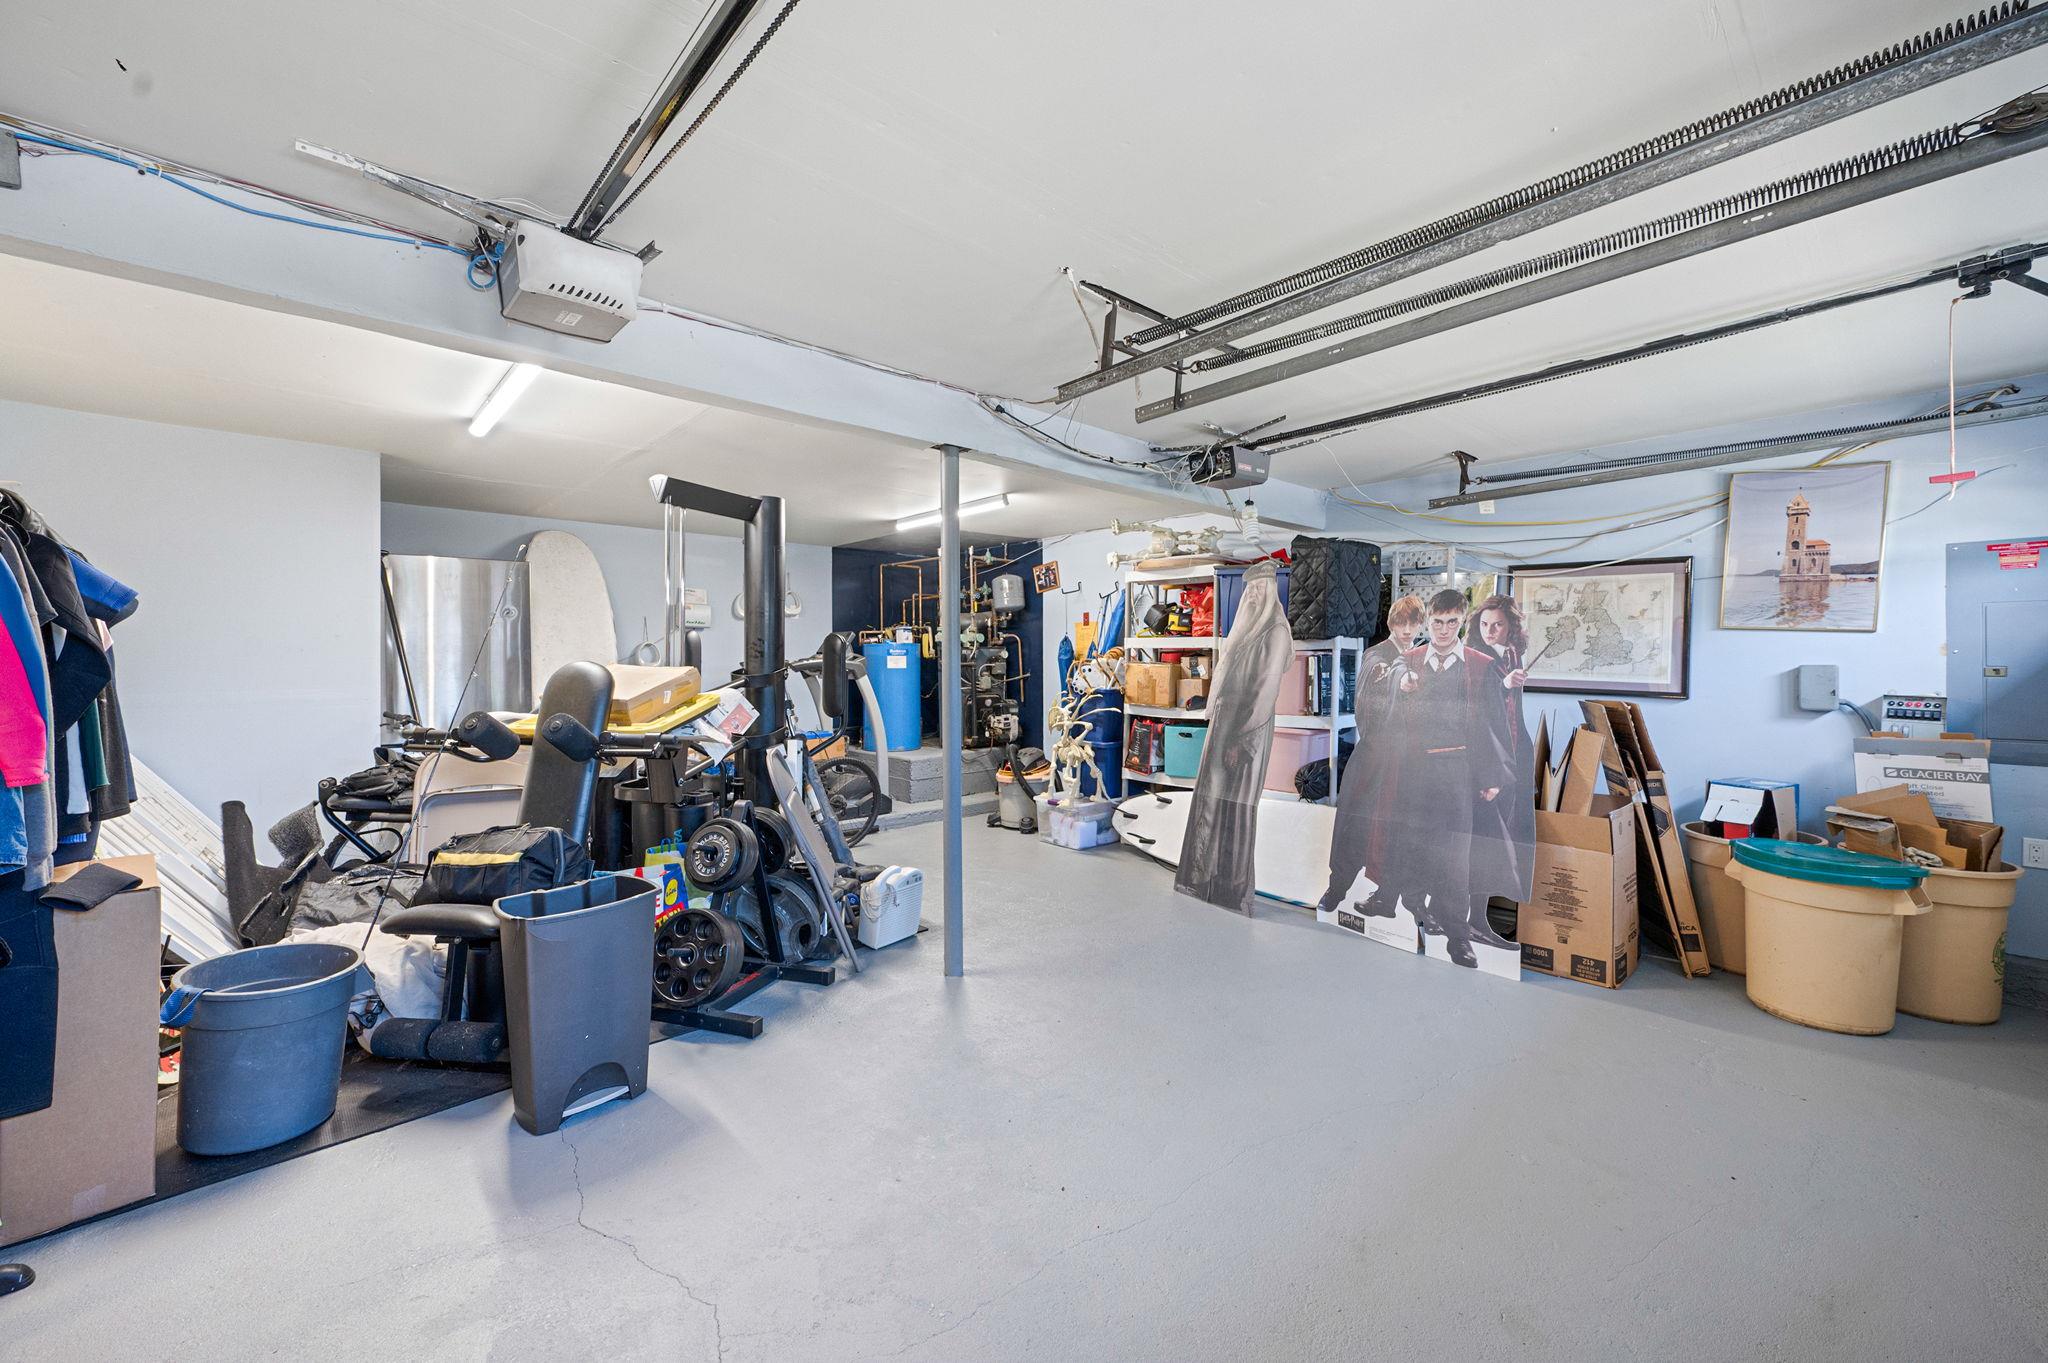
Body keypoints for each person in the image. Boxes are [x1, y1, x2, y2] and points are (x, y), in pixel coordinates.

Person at [1379, 589, 1519, 966]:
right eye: (1437, 623)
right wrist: (1402, 685)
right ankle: (1415, 921)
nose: (1443, 630)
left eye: (1451, 622)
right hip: (1413, 772)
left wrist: (1493, 775)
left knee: (1456, 856)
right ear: (1428, 622)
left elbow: (1494, 722)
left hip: (1459, 773)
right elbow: (1390, 691)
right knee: (1412, 847)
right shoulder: (1409, 660)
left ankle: (1459, 937)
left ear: (1463, 620)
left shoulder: (1478, 664)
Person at [1317, 594, 1426, 918]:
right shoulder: (1376, 654)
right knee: (1356, 825)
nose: (1407, 630)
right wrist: (1398, 680)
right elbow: (1377, 676)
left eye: (1413, 624)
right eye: (1401, 623)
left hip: (1407, 759)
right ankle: (1337, 889)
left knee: (1398, 829)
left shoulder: (1420, 656)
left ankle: (1387, 897)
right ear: (1392, 624)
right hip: (1375, 755)